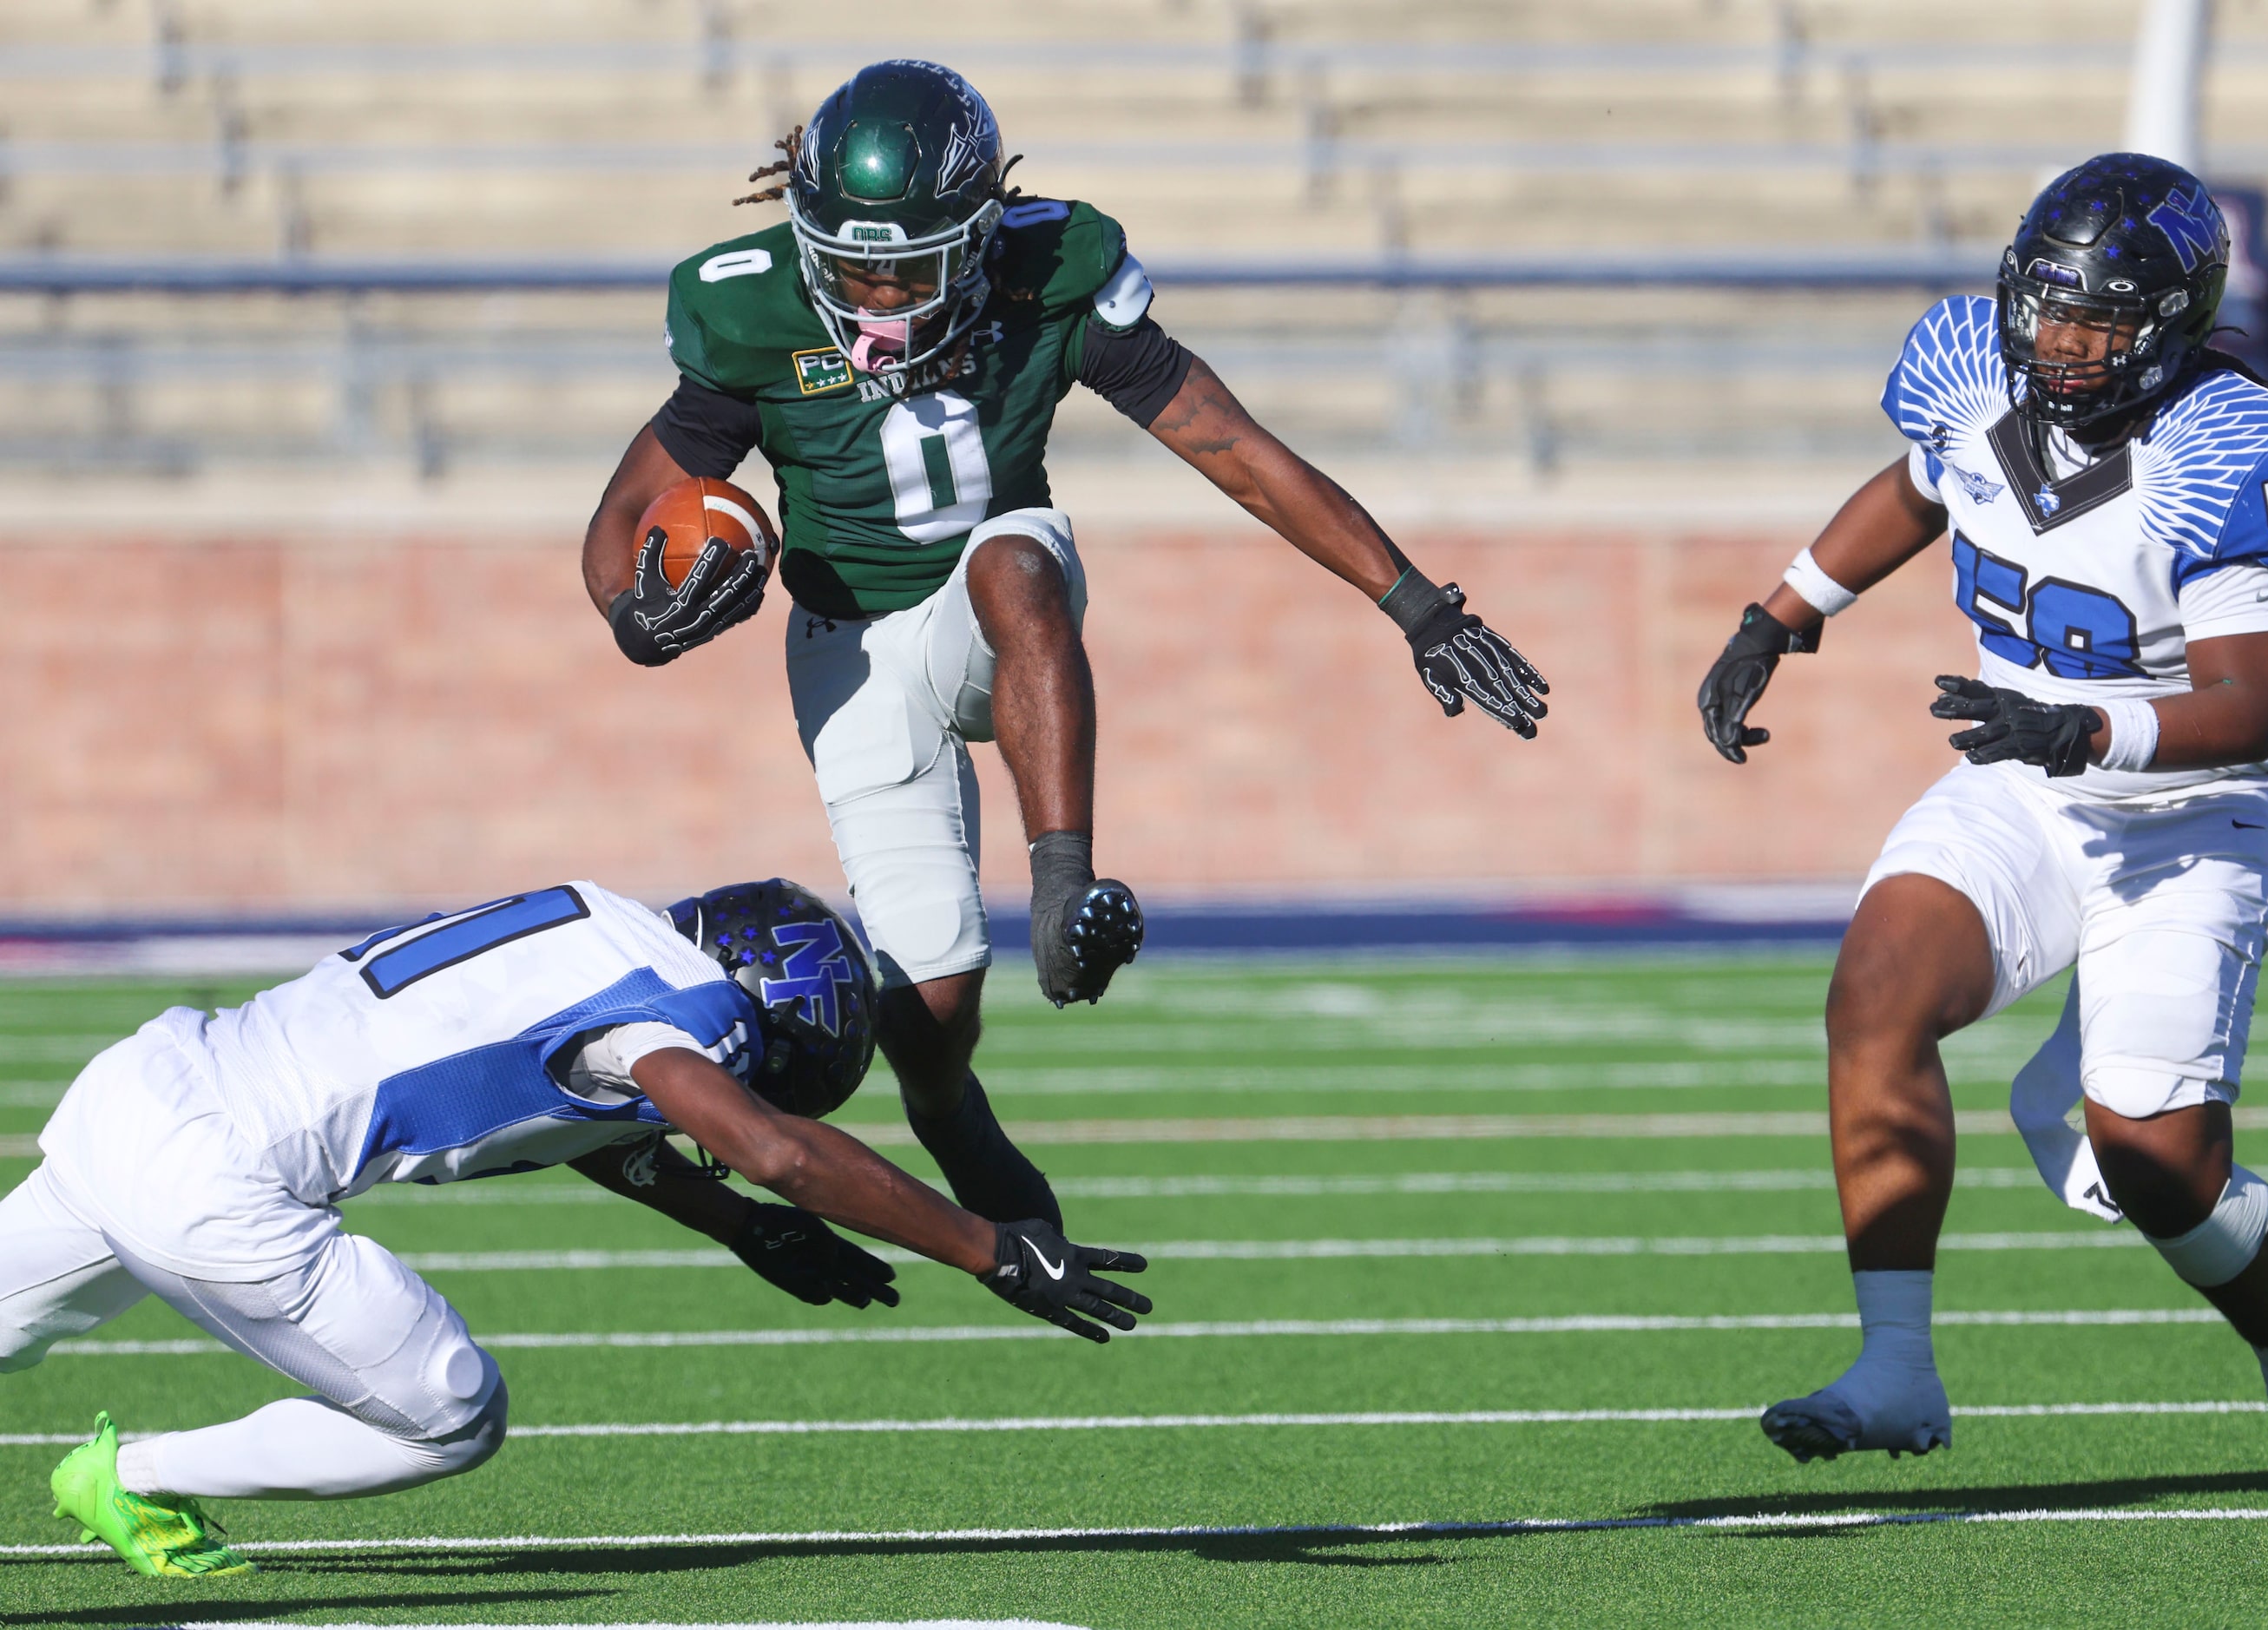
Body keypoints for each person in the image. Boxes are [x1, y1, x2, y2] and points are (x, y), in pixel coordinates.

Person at [579, 61, 1550, 1254]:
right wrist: (636, 618)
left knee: (1014, 562)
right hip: (851, 647)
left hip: (998, 612)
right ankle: (948, 1108)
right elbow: (628, 511)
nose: (876, 289)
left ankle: (1062, 880)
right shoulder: (753, 309)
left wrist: (1415, 603)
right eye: (851, 259)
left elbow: (1235, 448)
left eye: (907, 262)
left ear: (981, 234)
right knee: (928, 1000)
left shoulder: (1051, 274)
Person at [1697, 154, 2268, 1489]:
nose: (2059, 341)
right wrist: (1784, 612)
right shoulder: (1973, 377)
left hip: (2181, 815)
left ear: (2169, 322)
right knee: (1875, 990)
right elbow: (1917, 486)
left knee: (2157, 1157)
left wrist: (2092, 725)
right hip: (2023, 777)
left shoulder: (2226, 450)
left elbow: (2252, 704)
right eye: (2047, 306)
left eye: (2097, 318)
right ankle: (1896, 1364)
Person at [6, 878, 1149, 1577]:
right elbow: (776, 1148)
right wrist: (989, 1249)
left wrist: (737, 1229)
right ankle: (141, 1474)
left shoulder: (599, 915)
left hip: (143, 1079)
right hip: (220, 1179)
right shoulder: (673, 1022)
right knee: (451, 1412)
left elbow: (588, 1106)